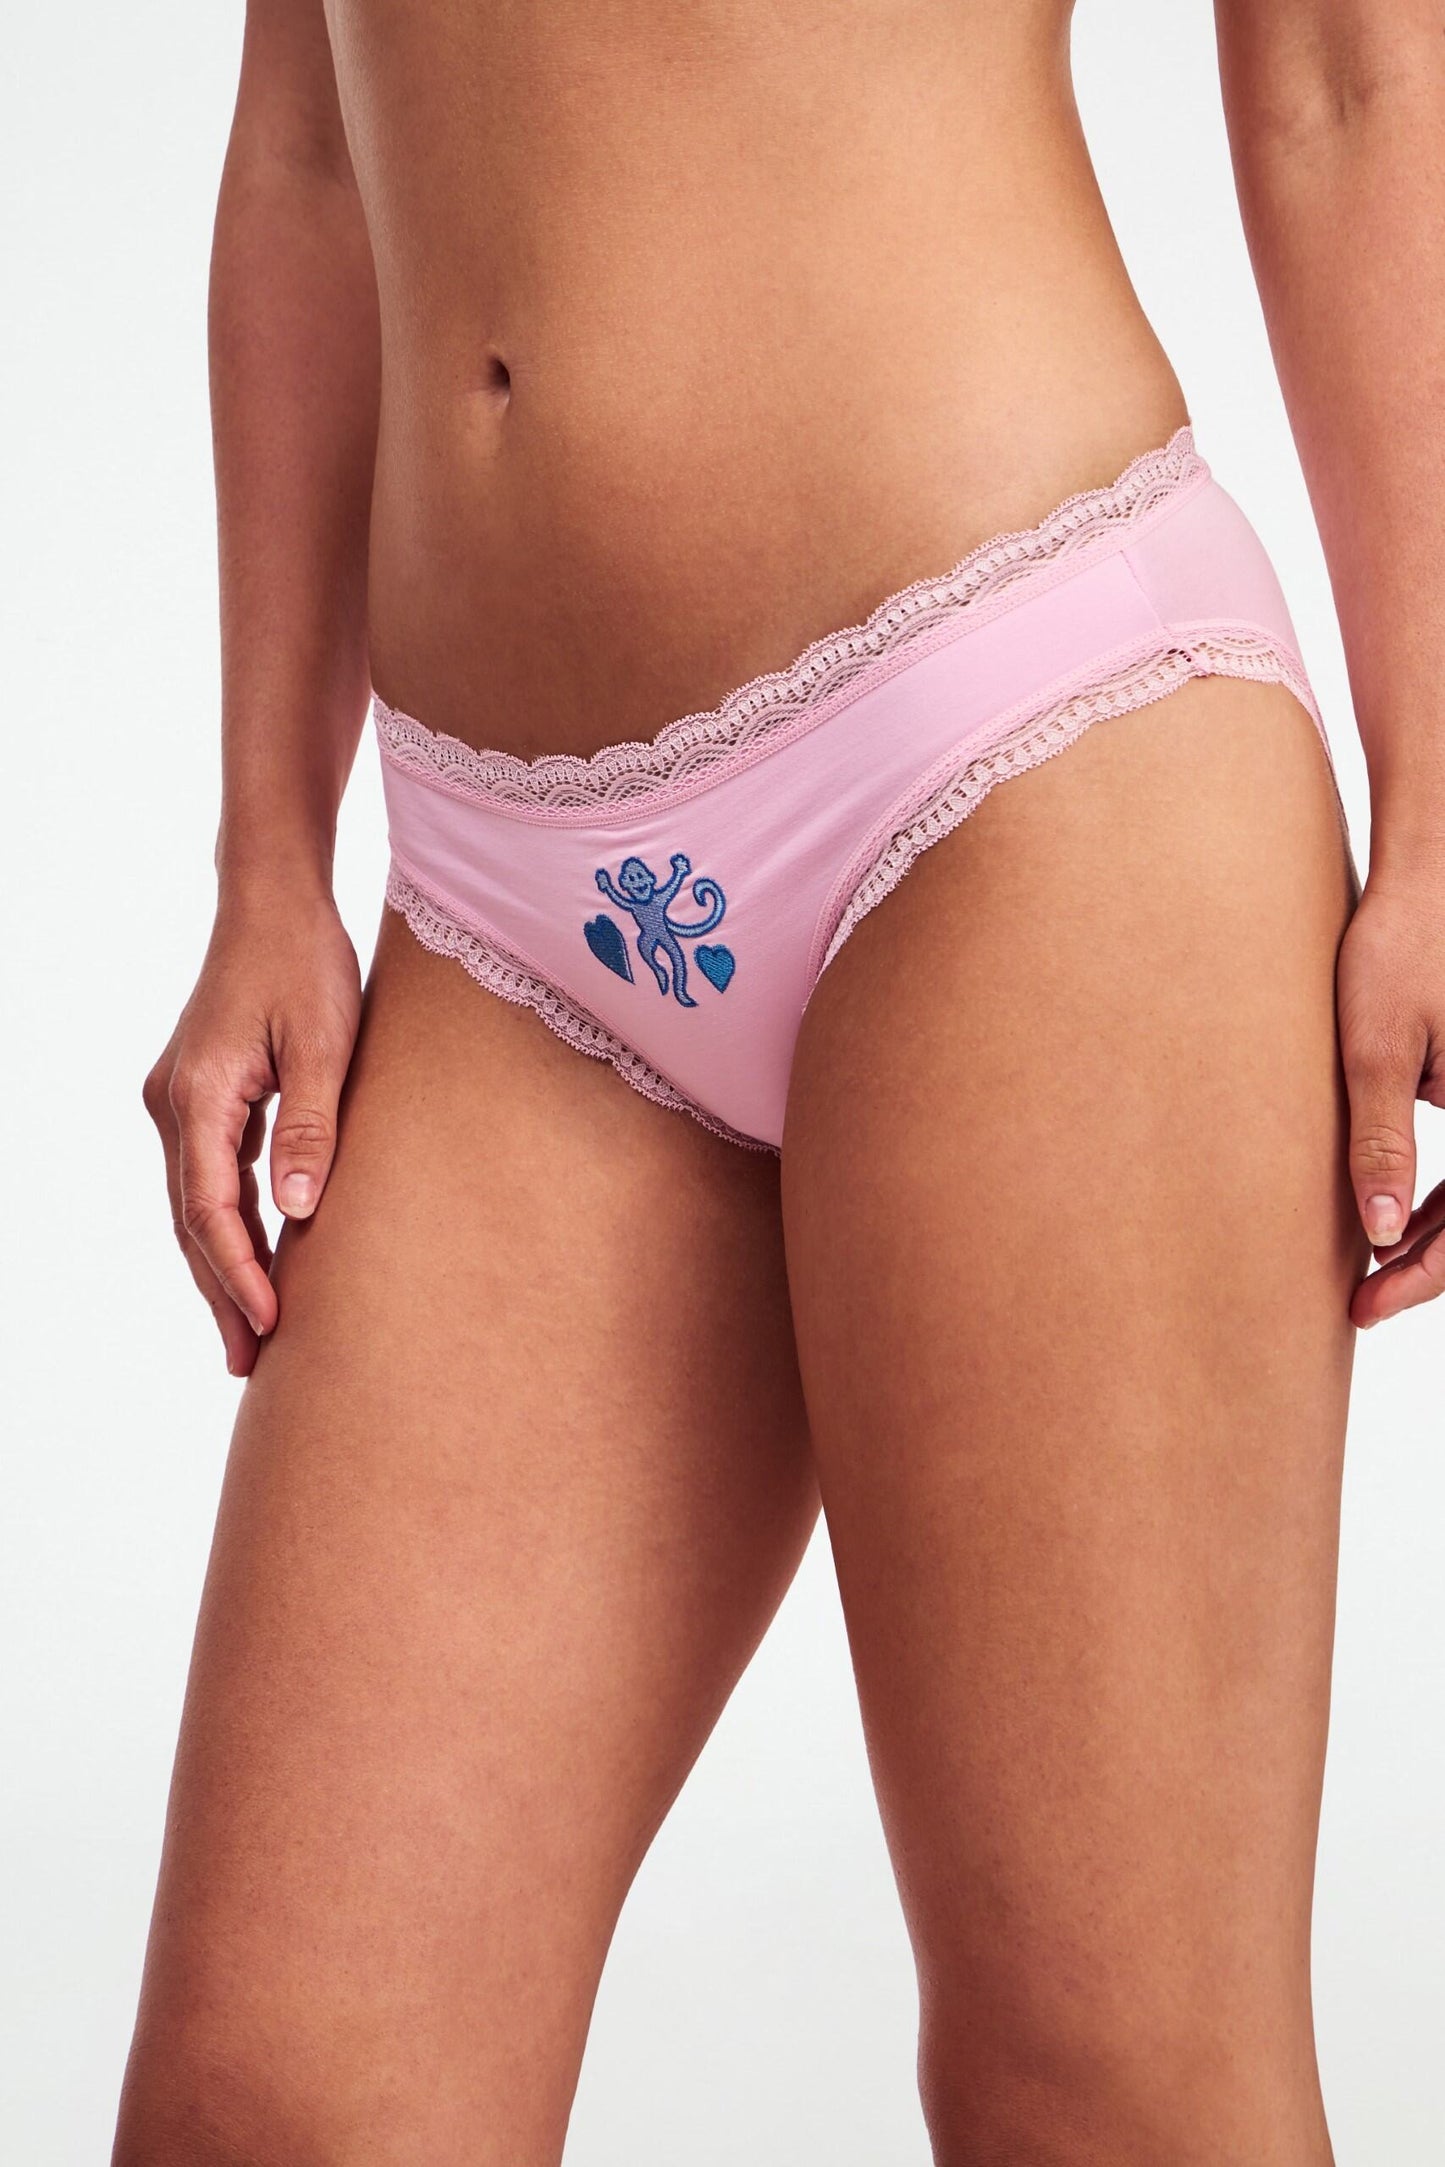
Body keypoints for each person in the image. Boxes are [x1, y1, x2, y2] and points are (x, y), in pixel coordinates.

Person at [117, 3, 1444, 2161]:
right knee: (277, 2111)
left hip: (1020, 748)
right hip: (504, 912)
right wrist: (269, 842)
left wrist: (1443, 806)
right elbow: (311, 137)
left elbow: (1345, 73)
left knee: (1103, 2095)